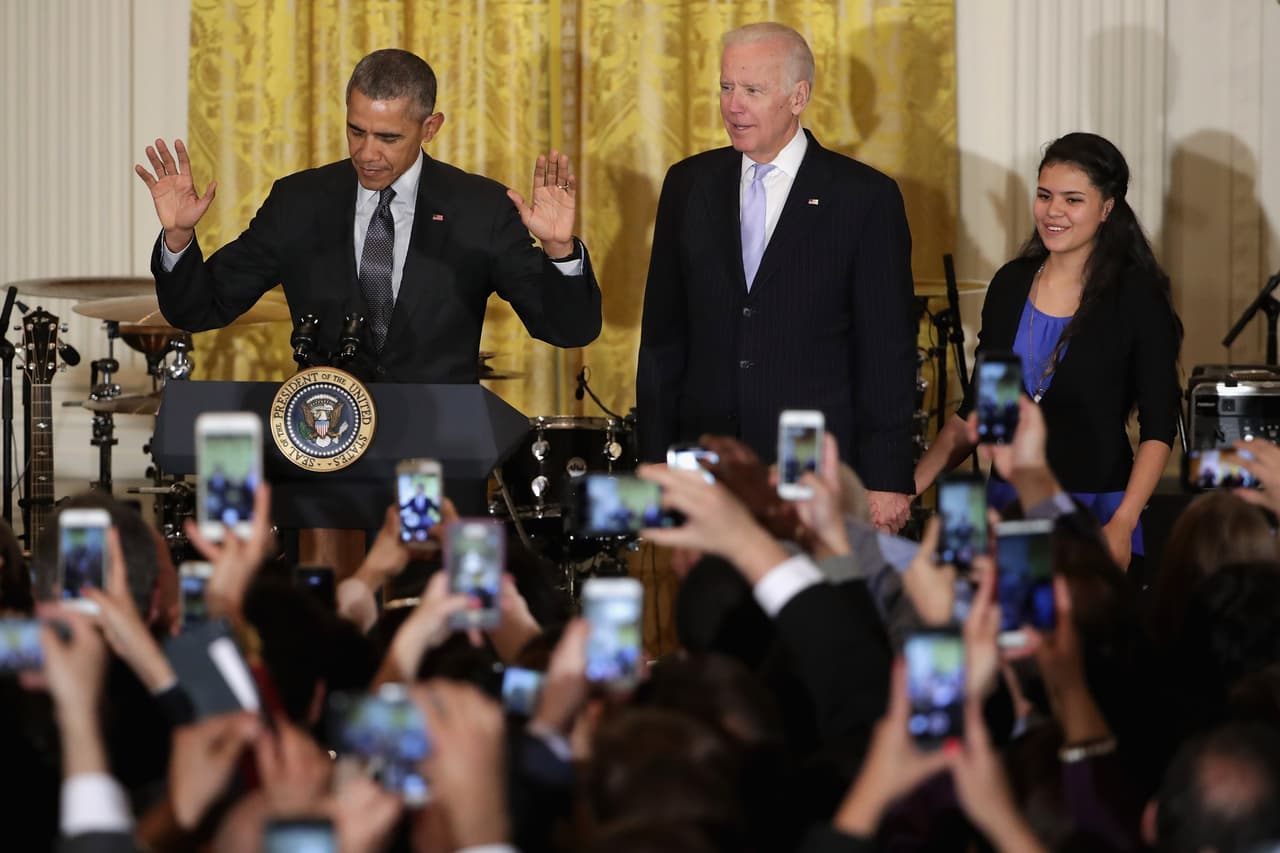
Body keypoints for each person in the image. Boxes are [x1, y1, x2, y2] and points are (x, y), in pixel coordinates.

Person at [136, 48, 601, 384]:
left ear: (430, 128)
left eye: (388, 137)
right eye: (355, 131)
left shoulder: (480, 208)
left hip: (437, 457)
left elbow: (567, 329)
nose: (367, 153)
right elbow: (198, 309)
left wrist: (559, 251)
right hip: (324, 446)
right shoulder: (299, 201)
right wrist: (178, 238)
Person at [635, 22, 918, 533]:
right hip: (706, 468)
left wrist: (888, 475)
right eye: (726, 87)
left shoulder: (864, 199)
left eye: (752, 90)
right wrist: (655, 455)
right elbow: (662, 336)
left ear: (798, 97)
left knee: (812, 610)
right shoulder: (688, 184)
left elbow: (887, 349)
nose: (733, 105)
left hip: (815, 475)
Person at [914, 132, 1182, 571]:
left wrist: (1122, 521)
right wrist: (909, 487)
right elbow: (976, 412)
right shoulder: (1010, 283)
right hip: (1007, 506)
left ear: (1107, 208)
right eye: (1044, 196)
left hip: (1097, 507)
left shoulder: (1137, 296)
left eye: (1072, 200)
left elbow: (1159, 426)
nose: (1053, 211)